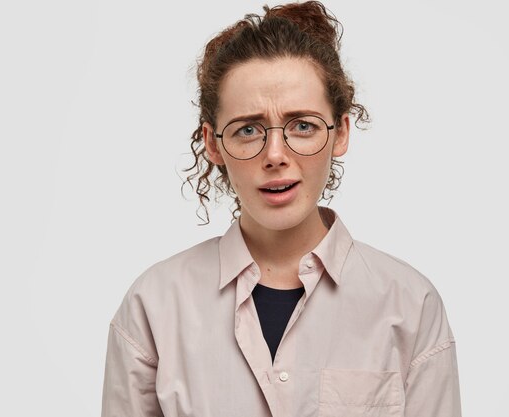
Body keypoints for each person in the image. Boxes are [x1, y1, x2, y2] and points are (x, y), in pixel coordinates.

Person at [101, 2, 462, 416]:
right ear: (214, 143)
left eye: (303, 125)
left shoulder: (411, 306)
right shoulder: (153, 306)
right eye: (248, 129)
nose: (275, 155)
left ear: (341, 131)